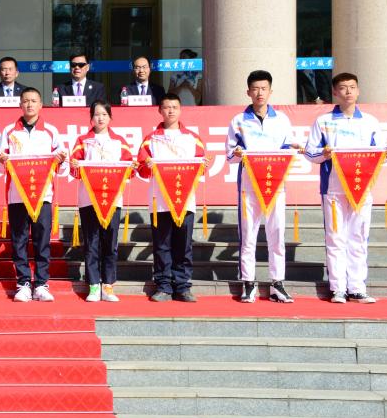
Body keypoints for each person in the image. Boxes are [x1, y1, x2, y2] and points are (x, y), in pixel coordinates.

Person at [304, 72, 387, 304]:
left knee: (358, 237)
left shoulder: (370, 122)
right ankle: (338, 288)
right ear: (335, 92)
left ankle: (357, 288)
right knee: (336, 238)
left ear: (358, 90)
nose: (348, 92)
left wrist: (386, 154)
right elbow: (310, 153)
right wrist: (323, 154)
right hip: (333, 189)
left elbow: (379, 154)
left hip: (361, 189)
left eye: (352, 87)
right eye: (343, 88)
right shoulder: (324, 121)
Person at [225, 70, 298, 304]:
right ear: (248, 92)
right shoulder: (238, 120)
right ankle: (249, 282)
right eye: (255, 89)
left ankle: (277, 283)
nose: (259, 93)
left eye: (264, 88)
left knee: (277, 234)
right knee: (248, 235)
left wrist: (292, 148)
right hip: (249, 186)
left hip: (275, 184)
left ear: (270, 91)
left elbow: (287, 147)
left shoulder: (282, 120)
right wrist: (237, 153)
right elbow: (230, 154)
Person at [136, 93, 212, 302]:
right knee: (162, 245)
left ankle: (183, 286)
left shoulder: (192, 138)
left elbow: (200, 166)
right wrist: (147, 165)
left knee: (183, 245)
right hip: (159, 201)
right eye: (167, 107)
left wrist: (204, 165)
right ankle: (163, 286)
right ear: (159, 110)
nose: (171, 111)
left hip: (185, 200)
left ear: (180, 110)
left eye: (174, 107)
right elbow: (141, 169)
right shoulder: (151, 139)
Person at [0, 87, 69, 303]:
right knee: (19, 239)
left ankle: (42, 284)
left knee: (42, 240)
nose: (29, 104)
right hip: (17, 195)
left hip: (43, 195)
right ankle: (23, 283)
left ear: (40, 105)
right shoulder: (9, 131)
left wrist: (61, 160)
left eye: (33, 101)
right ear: (20, 104)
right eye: (25, 101)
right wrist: (1, 160)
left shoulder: (51, 131)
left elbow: (62, 167)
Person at [71, 100, 133, 303]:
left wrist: (131, 167)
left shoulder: (119, 141)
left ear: (110, 117)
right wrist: (75, 164)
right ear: (91, 118)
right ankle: (93, 285)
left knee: (110, 243)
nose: (100, 118)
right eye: (97, 114)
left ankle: (108, 284)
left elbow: (129, 170)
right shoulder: (83, 140)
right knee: (91, 243)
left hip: (113, 199)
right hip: (89, 200)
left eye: (104, 114)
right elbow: (74, 170)